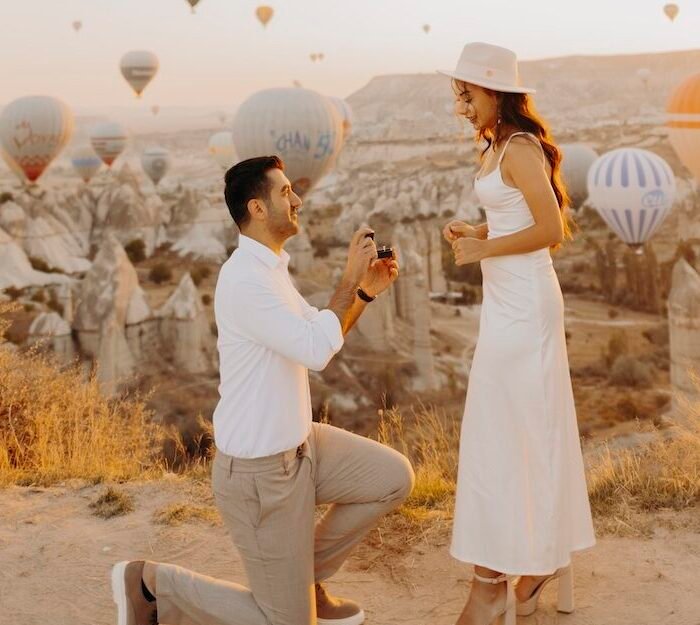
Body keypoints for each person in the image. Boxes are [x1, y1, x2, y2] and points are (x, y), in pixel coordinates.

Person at [111, 155, 415, 625]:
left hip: (302, 446)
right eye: (285, 192)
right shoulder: (244, 280)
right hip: (259, 474)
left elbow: (317, 327)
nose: (297, 199)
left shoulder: (271, 268)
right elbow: (315, 351)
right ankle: (150, 584)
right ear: (256, 207)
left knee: (392, 478)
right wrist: (350, 279)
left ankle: (303, 580)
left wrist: (364, 293)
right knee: (289, 623)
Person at [437, 43, 596, 625]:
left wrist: (483, 248)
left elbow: (552, 227)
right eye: (461, 94)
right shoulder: (497, 148)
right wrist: (478, 228)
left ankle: (512, 574)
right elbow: (516, 217)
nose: (463, 104)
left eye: (470, 94)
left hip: (526, 301)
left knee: (515, 423)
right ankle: (528, 568)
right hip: (506, 298)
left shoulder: (522, 148)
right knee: (512, 422)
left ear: (497, 91)